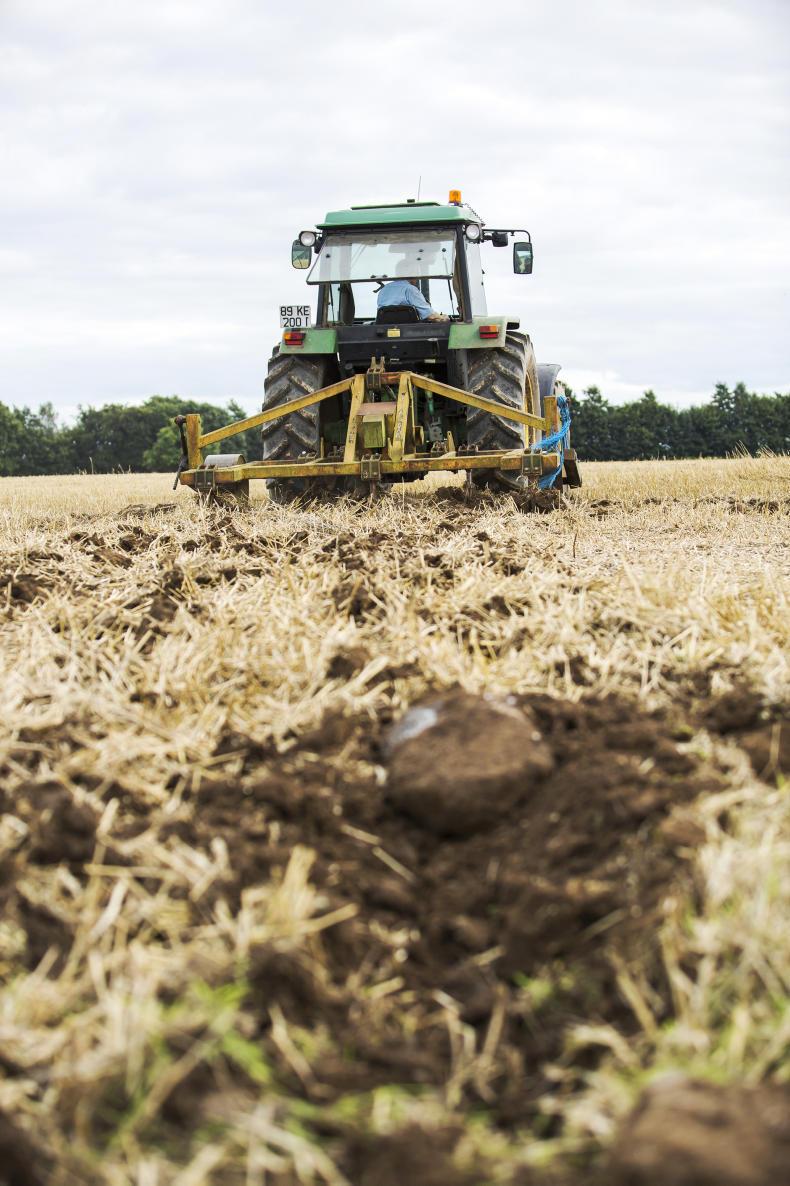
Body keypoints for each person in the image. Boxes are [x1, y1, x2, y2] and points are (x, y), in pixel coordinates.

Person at [377, 265, 449, 321]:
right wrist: (443, 318)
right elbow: (430, 316)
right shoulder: (410, 289)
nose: (417, 278)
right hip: (408, 332)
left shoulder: (384, 289)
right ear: (411, 274)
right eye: (416, 273)